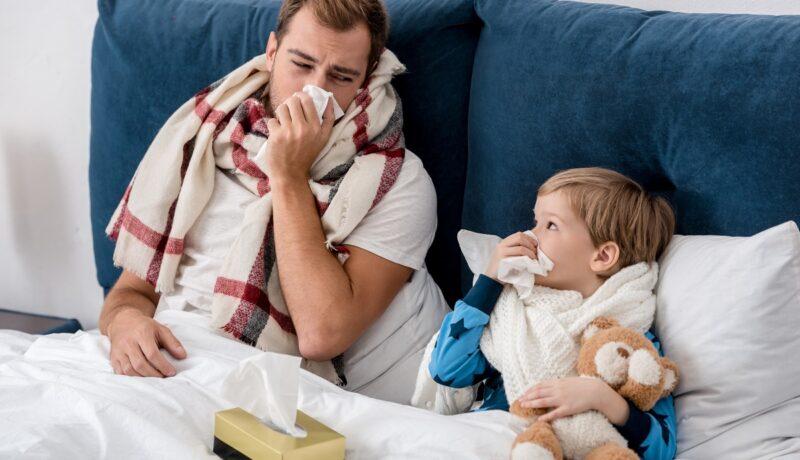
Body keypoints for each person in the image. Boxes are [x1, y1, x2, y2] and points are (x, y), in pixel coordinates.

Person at [98, 0, 449, 405]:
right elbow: (132, 293)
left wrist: (288, 174)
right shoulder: (203, 141)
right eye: (301, 63)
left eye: (341, 76)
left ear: (366, 80)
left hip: (291, 388)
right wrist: (124, 322)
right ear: (271, 52)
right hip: (176, 365)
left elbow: (322, 334)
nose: (314, 90)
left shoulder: (397, 180)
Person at [427, 167, 678, 458]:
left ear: (602, 256)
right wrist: (490, 280)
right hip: (493, 436)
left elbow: (663, 448)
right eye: (535, 222)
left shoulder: (629, 339)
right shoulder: (512, 314)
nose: (528, 236)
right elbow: (446, 370)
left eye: (550, 226)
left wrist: (603, 399)